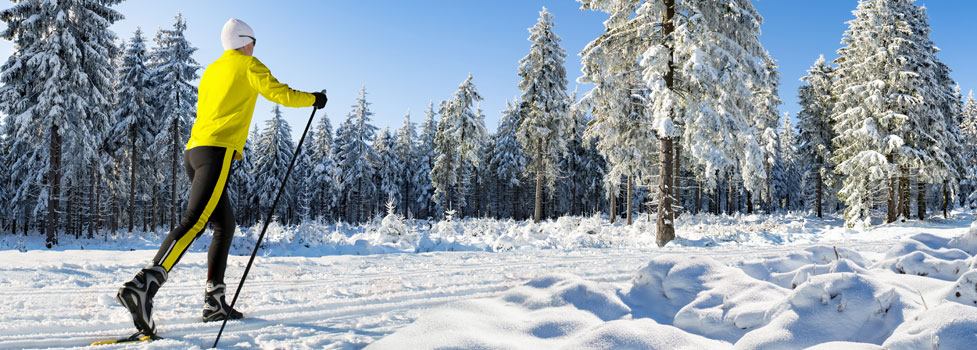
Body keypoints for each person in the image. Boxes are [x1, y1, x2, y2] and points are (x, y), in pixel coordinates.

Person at [116, 18, 327, 336]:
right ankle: (143, 285)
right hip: (216, 153)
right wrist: (313, 99)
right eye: (254, 41)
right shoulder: (248, 64)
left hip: (194, 152)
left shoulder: (213, 70)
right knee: (194, 222)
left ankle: (214, 302)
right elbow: (279, 93)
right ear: (245, 41)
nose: (255, 47)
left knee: (223, 225)